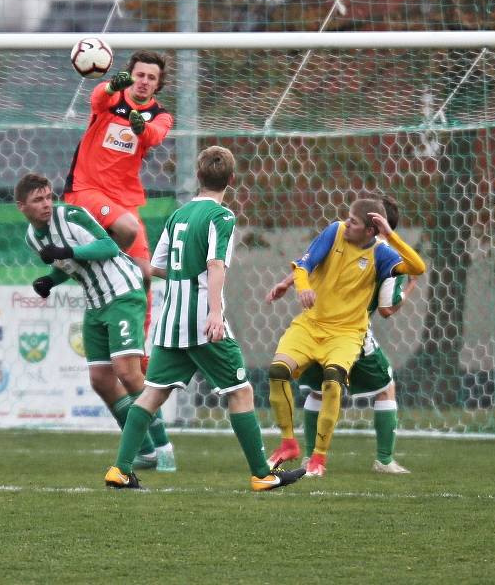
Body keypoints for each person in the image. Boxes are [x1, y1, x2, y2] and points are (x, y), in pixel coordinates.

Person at [104, 146, 306, 491]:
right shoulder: (222, 217)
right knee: (240, 391)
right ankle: (262, 474)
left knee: (152, 395)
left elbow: (159, 267)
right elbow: (215, 264)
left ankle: (120, 469)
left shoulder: (178, 216)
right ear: (231, 179)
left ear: (198, 177)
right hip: (202, 321)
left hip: (171, 323)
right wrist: (214, 311)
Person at [16, 173, 175, 472]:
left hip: (123, 292)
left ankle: (164, 448)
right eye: (38, 200)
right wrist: (50, 280)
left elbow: (109, 247)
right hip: (96, 302)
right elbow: (67, 265)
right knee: (101, 380)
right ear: (21, 206)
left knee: (128, 375)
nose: (47, 204)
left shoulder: (72, 215)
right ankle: (146, 451)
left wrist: (68, 251)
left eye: (49, 196)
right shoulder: (31, 237)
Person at [266, 195, 425, 477]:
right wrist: (291, 282)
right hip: (333, 330)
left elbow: (416, 268)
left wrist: (286, 283)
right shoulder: (338, 232)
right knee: (384, 386)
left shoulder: (386, 255)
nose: (347, 223)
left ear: (374, 227)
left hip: (348, 332)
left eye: (356, 220)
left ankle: (316, 459)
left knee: (325, 385)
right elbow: (388, 308)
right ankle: (382, 459)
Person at [63, 50, 173, 342]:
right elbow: (97, 98)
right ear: (130, 75)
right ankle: (90, 263)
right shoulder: (113, 97)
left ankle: (139, 348)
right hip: (87, 189)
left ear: (158, 84)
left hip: (124, 200)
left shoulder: (161, 116)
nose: (144, 81)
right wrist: (111, 85)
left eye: (152, 77)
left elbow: (154, 135)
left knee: (145, 275)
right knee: (127, 228)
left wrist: (142, 128)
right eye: (140, 75)